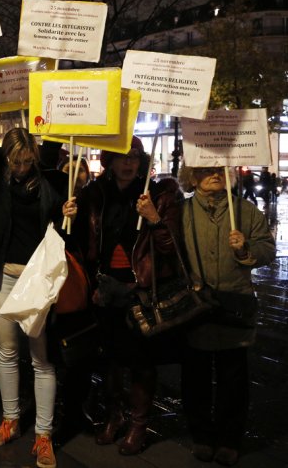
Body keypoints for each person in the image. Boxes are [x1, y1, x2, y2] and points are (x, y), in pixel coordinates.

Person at [0, 72, 65, 468]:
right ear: (5, 157)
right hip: (1, 278)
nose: (22, 168)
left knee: (41, 359)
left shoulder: (47, 175)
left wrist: (54, 91)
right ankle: (10, 420)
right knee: (6, 353)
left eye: (28, 162)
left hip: (37, 282)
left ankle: (43, 435)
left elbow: (54, 134)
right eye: (16, 161)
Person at [62, 139, 183, 455]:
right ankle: (114, 416)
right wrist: (69, 217)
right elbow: (79, 242)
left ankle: (138, 424)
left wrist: (154, 217)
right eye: (122, 157)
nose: (129, 163)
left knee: (142, 361)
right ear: (109, 160)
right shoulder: (95, 194)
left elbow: (172, 247)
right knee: (111, 359)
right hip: (103, 289)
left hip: (139, 291)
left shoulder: (158, 194)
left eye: (135, 157)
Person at [177, 166, 274, 466]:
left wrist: (246, 249)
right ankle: (202, 436)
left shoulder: (244, 210)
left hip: (235, 306)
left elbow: (267, 247)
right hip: (196, 307)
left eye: (219, 169)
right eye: (205, 170)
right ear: (191, 177)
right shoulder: (181, 212)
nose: (215, 174)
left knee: (234, 378)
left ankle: (230, 439)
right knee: (196, 377)